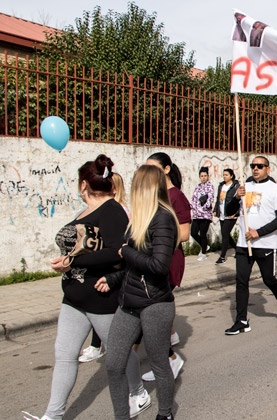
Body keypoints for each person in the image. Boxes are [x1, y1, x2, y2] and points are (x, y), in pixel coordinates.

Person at [23, 155, 148, 420]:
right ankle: (52, 415)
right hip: (73, 297)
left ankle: (138, 392)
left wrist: (71, 261)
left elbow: (118, 251)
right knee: (65, 355)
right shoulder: (85, 211)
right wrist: (70, 263)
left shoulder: (112, 210)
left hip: (101, 298)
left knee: (120, 352)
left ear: (83, 185)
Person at [95, 165, 180, 420]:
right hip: (129, 302)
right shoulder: (139, 219)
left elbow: (158, 266)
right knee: (114, 364)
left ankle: (165, 414)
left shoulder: (163, 218)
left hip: (155, 303)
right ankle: (122, 415)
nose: (132, 188)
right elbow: (133, 265)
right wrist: (112, 278)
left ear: (144, 188)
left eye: (135, 184)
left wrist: (125, 251)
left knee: (159, 365)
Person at [140, 152, 191, 382]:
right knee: (151, 315)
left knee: (150, 316)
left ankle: (169, 360)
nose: (149, 173)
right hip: (151, 261)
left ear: (167, 169)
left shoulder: (176, 197)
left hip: (168, 262)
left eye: (154, 168)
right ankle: (167, 353)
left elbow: (184, 234)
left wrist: (156, 241)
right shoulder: (153, 195)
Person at [224, 156, 277, 334]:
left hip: (265, 243)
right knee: (241, 281)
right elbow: (228, 212)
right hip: (244, 244)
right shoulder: (244, 187)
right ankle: (242, 321)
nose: (255, 169)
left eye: (260, 166)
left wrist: (258, 232)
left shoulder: (275, 189)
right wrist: (236, 198)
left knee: (268, 279)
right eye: (253, 166)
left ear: (268, 169)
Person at [78, 172, 127, 364]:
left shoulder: (116, 210)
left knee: (108, 315)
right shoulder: (96, 209)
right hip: (98, 271)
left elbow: (117, 249)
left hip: (112, 271)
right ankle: (98, 345)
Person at [213, 168, 239, 264]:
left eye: (226, 175)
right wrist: (215, 210)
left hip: (231, 214)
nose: (224, 176)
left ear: (231, 176)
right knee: (226, 234)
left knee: (224, 235)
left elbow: (239, 202)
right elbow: (218, 199)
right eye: (223, 175)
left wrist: (236, 214)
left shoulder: (235, 186)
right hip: (222, 214)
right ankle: (237, 248)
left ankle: (222, 256)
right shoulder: (221, 185)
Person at [190, 167, 214, 262]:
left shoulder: (210, 186)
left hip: (205, 215)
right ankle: (205, 246)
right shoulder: (198, 187)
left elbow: (210, 199)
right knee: (193, 232)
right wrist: (192, 207)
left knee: (203, 233)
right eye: (202, 176)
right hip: (196, 215)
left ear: (208, 176)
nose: (203, 178)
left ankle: (204, 253)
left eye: (205, 176)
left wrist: (203, 208)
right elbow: (193, 199)